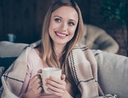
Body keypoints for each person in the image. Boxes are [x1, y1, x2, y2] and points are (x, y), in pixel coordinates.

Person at [1, 0, 109, 98]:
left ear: (76, 28)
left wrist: (63, 94)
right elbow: (12, 95)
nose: (63, 28)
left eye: (71, 23)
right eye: (57, 20)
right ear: (48, 22)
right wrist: (33, 92)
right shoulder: (31, 56)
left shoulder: (82, 59)